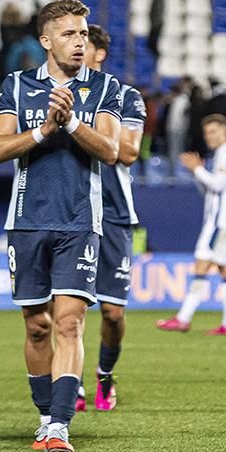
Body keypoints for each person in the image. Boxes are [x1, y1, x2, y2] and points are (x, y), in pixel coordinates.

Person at [0, 0, 123, 452]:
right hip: (26, 221)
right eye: (69, 34)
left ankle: (60, 427)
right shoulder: (17, 86)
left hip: (80, 223)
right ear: (45, 40)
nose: (80, 41)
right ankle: (45, 416)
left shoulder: (105, 87)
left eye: (83, 34)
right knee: (38, 326)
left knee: (69, 323)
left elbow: (110, 150)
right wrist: (46, 129)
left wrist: (72, 123)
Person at [75, 25, 144, 412]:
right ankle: (74, 384)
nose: (76, 48)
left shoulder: (124, 96)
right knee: (70, 308)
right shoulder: (58, 94)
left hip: (115, 212)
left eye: (83, 44)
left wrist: (73, 125)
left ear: (99, 54)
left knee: (113, 312)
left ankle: (104, 374)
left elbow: (128, 151)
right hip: (72, 211)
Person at [156, 115, 226, 336]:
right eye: (207, 133)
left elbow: (218, 184)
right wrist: (199, 172)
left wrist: (197, 169)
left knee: (202, 265)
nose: (209, 137)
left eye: (213, 132)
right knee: (225, 269)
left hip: (221, 221)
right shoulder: (222, 155)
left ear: (224, 130)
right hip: (225, 220)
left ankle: (184, 318)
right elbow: (212, 191)